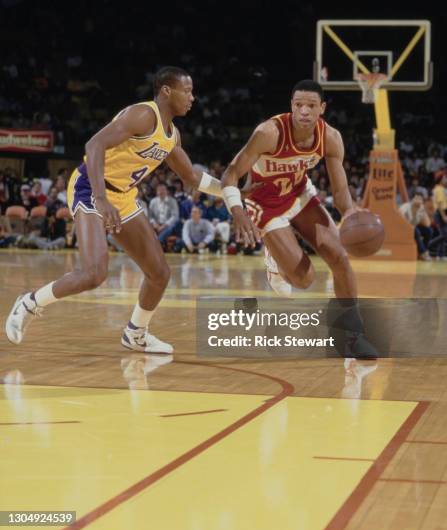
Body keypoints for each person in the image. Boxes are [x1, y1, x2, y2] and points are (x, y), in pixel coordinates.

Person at [5, 66, 224, 353]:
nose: (192, 97)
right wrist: (100, 197)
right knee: (94, 274)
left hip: (122, 195)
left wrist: (234, 190)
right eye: (187, 90)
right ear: (166, 91)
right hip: (91, 187)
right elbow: (94, 144)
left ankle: (136, 333)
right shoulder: (143, 115)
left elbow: (192, 178)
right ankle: (30, 302)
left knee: (159, 272)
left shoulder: (172, 135)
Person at [221, 79, 375, 357]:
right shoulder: (268, 133)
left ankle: (351, 334)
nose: (304, 111)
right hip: (264, 204)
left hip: (299, 194)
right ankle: (274, 260)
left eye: (311, 105)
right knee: (304, 280)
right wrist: (237, 210)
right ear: (291, 106)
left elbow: (340, 190)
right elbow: (230, 174)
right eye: (298, 104)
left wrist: (350, 212)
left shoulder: (330, 138)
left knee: (340, 257)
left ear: (322, 108)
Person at [399, 193, 432, 260]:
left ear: (422, 201)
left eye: (420, 199)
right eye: (416, 198)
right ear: (412, 200)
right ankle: (423, 252)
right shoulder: (405, 207)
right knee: (415, 230)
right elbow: (400, 221)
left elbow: (427, 224)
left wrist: (424, 214)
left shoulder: (421, 209)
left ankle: (424, 251)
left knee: (429, 231)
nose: (418, 200)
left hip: (413, 227)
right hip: (403, 228)